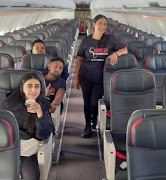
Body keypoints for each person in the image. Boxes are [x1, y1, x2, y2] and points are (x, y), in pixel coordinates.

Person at [74, 14, 128, 138]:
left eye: (104, 24)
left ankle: (94, 119)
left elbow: (125, 49)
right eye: (100, 23)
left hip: (101, 78)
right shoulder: (86, 40)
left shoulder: (110, 39)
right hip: (85, 76)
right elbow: (79, 60)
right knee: (87, 102)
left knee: (94, 102)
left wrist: (116, 54)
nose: (102, 26)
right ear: (93, 24)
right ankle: (88, 125)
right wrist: (76, 78)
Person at [1, 72, 55, 180]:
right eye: (29, 86)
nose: (34, 90)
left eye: (37, 86)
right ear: (22, 88)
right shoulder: (9, 104)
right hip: (9, 144)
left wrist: (40, 114)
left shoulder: (43, 104)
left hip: (29, 149)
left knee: (31, 177)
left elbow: (43, 134)